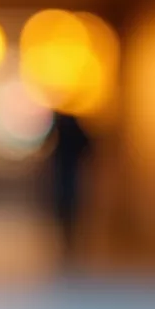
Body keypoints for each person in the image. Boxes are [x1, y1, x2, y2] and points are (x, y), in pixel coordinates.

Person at [48, 110, 92, 269]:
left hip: (64, 175)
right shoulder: (74, 128)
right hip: (69, 175)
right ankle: (70, 239)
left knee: (65, 207)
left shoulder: (60, 128)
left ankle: (67, 239)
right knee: (70, 207)